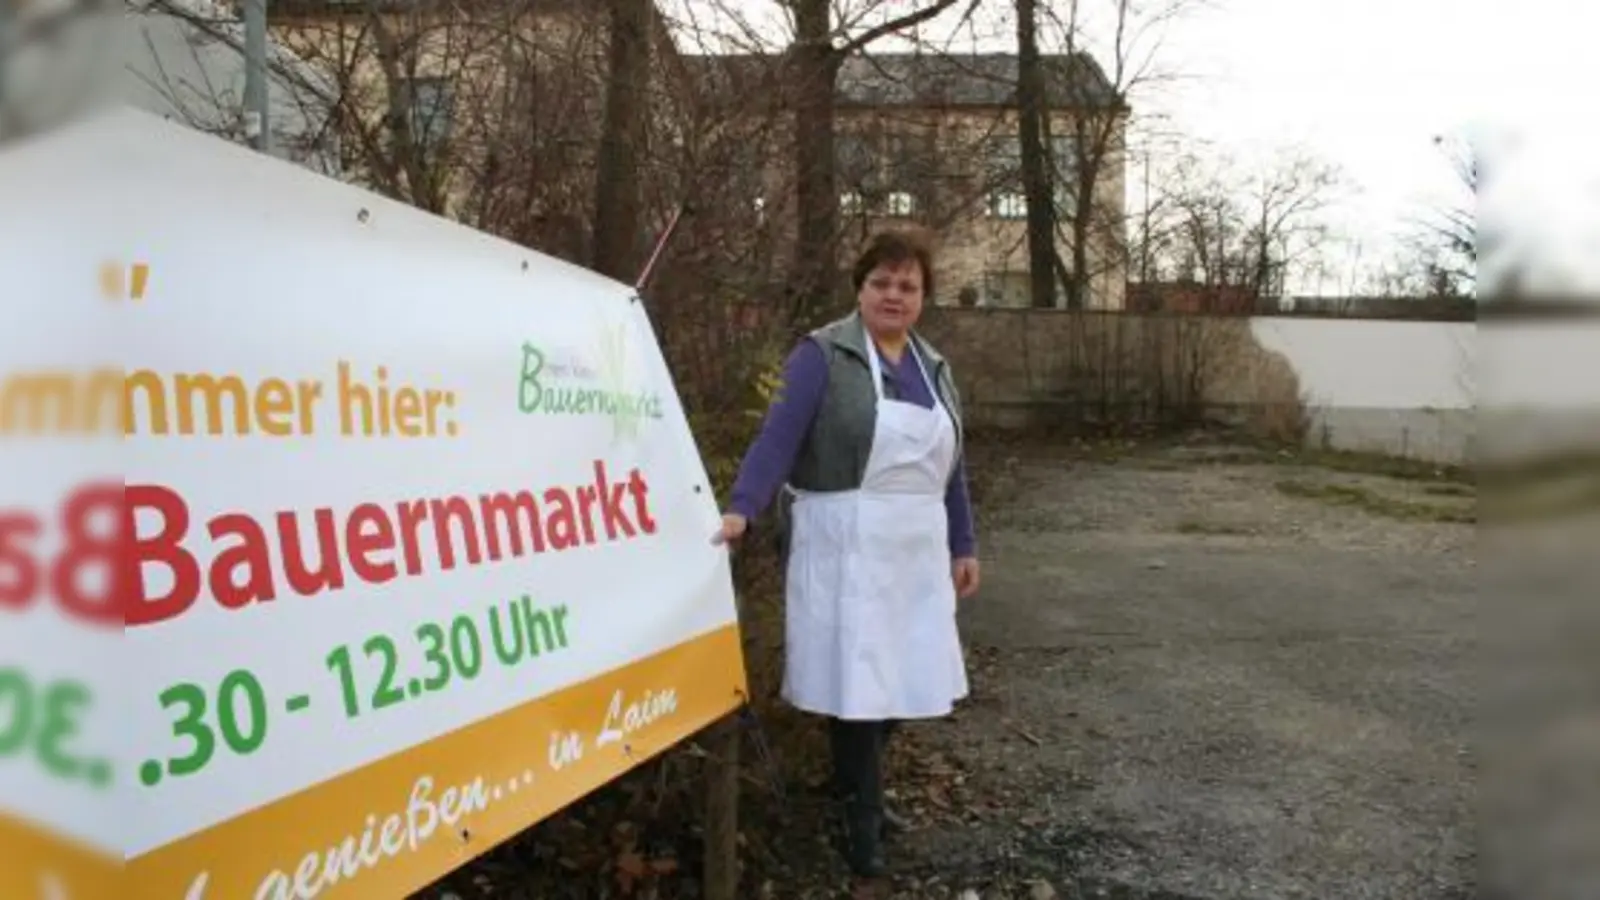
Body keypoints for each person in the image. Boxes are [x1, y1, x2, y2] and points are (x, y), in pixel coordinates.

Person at [712, 228, 980, 877]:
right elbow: (777, 437)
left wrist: (963, 541)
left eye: (907, 285)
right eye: (880, 283)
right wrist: (743, 506)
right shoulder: (821, 356)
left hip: (914, 552)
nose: (893, 295)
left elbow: (953, 468)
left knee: (903, 678)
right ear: (860, 288)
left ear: (923, 296)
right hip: (846, 544)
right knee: (859, 683)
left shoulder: (934, 368)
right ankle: (862, 818)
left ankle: (852, 788)